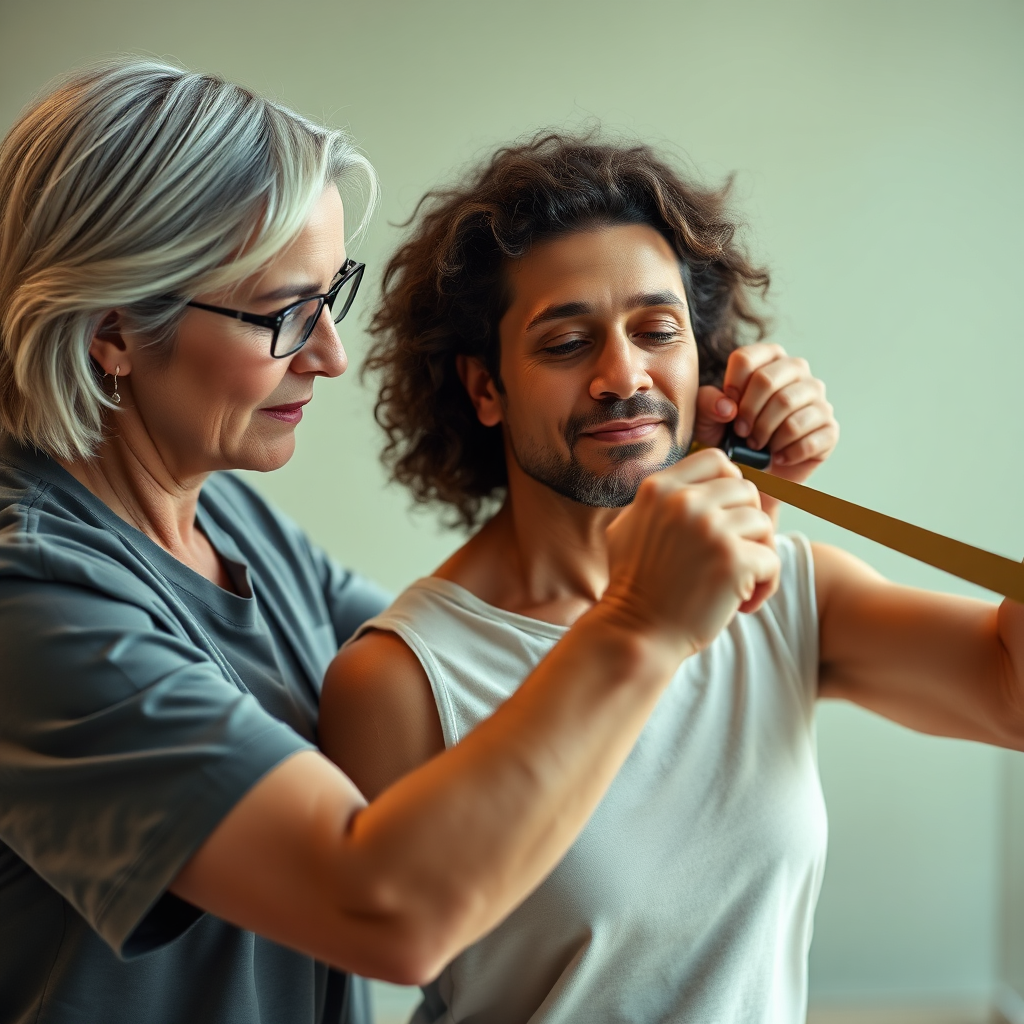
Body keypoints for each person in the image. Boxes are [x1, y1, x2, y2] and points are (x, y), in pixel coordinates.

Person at [0, 69, 784, 1024]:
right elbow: (389, 911)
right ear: (113, 329)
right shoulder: (31, 601)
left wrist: (676, 450)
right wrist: (644, 624)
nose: (328, 352)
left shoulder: (216, 516)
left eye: (331, 294)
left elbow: (476, 676)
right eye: (283, 312)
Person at [322, 134, 1024, 1024]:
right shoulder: (401, 680)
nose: (624, 377)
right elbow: (385, 933)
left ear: (707, 362)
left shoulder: (783, 592)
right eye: (568, 342)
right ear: (484, 386)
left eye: (658, 332)